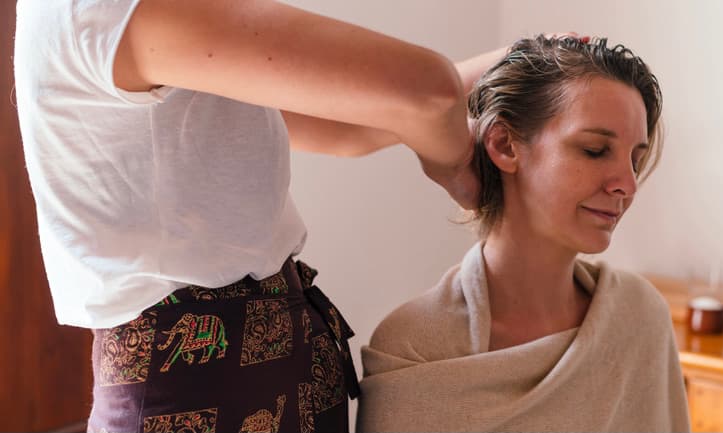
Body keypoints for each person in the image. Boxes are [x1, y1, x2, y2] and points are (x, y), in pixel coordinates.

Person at [13, 1, 510, 432]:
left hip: (271, 363)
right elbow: (427, 92)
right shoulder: (112, 9)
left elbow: (345, 129)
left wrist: (521, 56)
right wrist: (459, 174)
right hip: (194, 385)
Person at [358, 35, 691, 432]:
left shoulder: (638, 316)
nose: (628, 185)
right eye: (595, 150)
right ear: (504, 145)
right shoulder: (416, 345)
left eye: (635, 160)